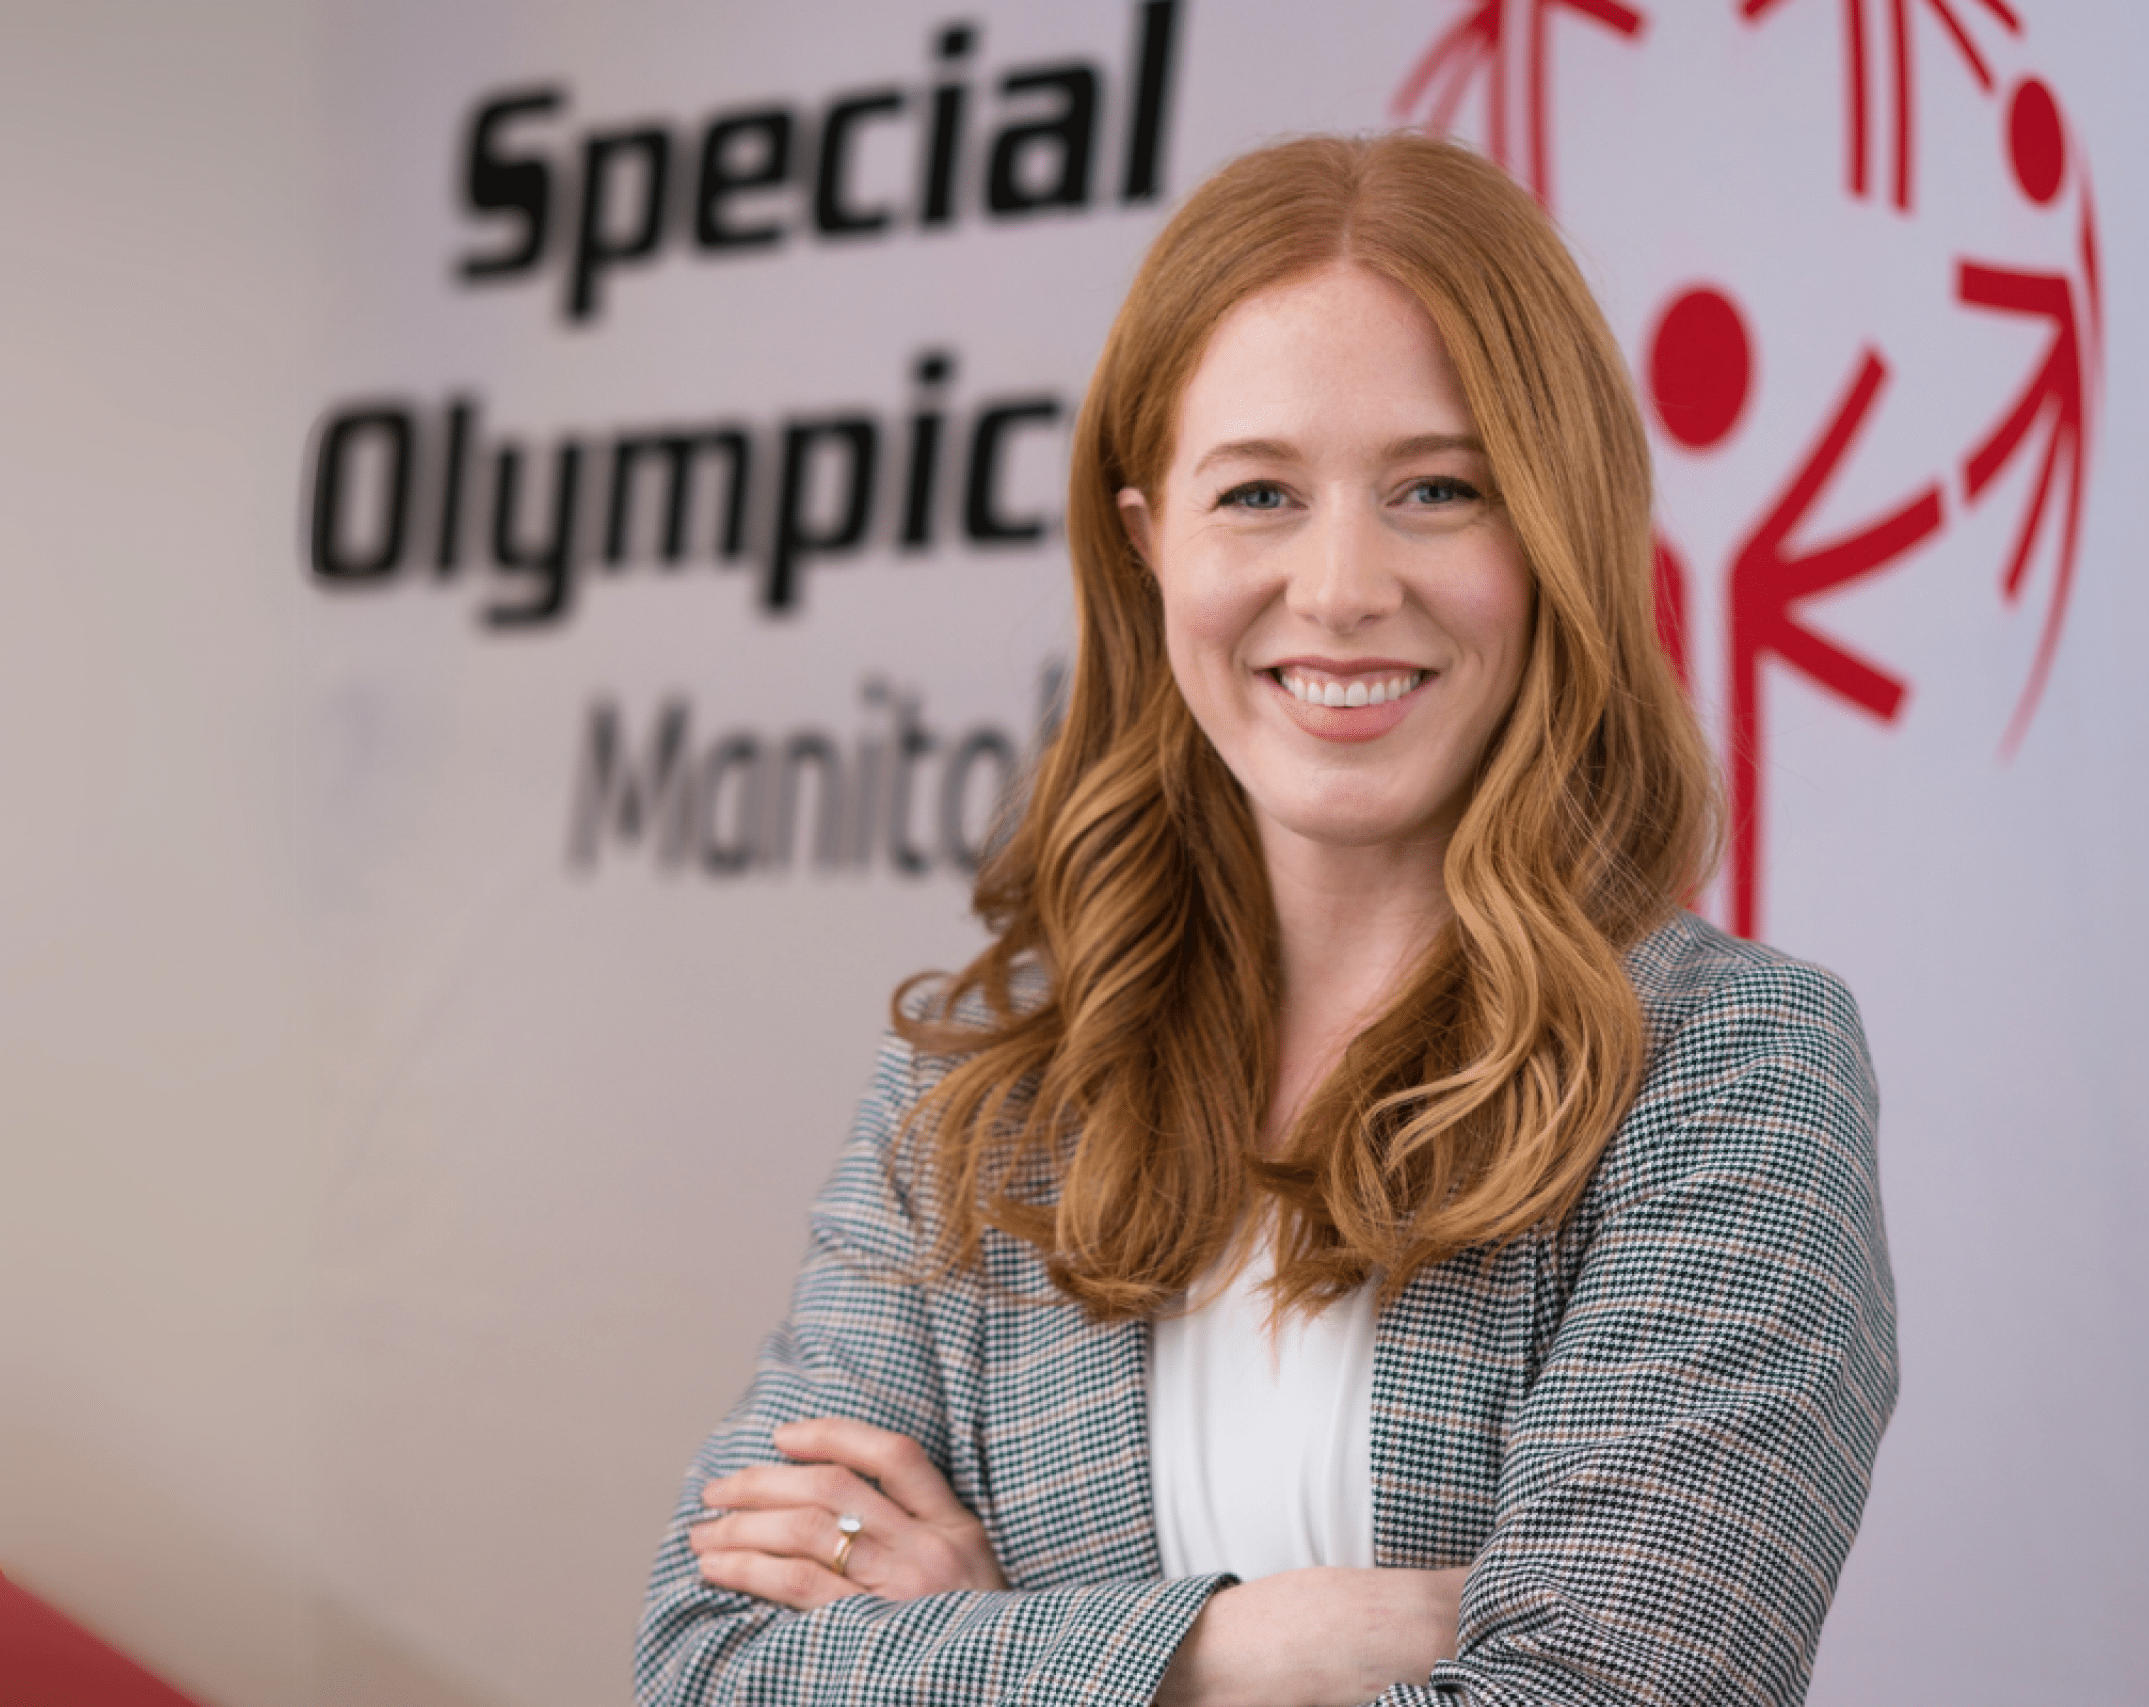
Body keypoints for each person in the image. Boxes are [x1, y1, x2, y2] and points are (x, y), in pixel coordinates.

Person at [638, 132, 1896, 1707]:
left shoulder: (1726, 1070)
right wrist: (1240, 1648)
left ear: (1558, 532)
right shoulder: (979, 1103)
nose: (1344, 584)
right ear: (1152, 538)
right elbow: (716, 1665)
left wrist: (984, 1644)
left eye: (1440, 489)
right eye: (1259, 495)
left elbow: (1604, 1694)